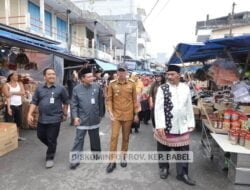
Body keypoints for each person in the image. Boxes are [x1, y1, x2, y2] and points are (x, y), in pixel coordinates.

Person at [154, 65, 196, 186]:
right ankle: (164, 168)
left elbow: (188, 106)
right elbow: (158, 108)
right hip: (166, 125)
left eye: (172, 74)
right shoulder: (163, 88)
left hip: (182, 125)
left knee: (183, 151)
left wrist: (191, 122)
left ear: (179, 75)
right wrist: (160, 125)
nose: (169, 77)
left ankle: (182, 173)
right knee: (163, 148)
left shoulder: (186, 88)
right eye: (168, 74)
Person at [27, 68, 69, 169]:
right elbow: (34, 102)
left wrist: (64, 112)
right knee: (40, 135)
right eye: (49, 74)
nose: (52, 76)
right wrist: (29, 114)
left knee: (51, 138)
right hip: (42, 118)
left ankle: (50, 157)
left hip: (55, 118)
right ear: (44, 77)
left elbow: (66, 101)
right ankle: (52, 145)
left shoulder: (60, 88)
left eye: (53, 74)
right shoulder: (39, 88)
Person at [69, 67, 105, 170]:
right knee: (79, 139)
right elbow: (74, 105)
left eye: (92, 76)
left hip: (94, 117)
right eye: (89, 77)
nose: (92, 78)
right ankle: (75, 159)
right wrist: (75, 117)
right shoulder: (76, 89)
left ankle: (96, 153)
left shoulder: (97, 87)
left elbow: (100, 101)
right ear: (82, 78)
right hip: (82, 119)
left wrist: (101, 114)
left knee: (95, 137)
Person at [106, 63, 139, 173]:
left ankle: (123, 156)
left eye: (123, 71)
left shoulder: (132, 84)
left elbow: (135, 100)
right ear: (117, 72)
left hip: (128, 115)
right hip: (116, 115)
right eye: (119, 71)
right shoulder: (112, 84)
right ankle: (112, 161)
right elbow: (109, 99)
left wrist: (136, 114)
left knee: (125, 138)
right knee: (114, 137)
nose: (121, 73)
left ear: (126, 72)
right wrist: (110, 111)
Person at [2, 71, 26, 140]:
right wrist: (18, 93)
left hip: (19, 105)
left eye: (17, 75)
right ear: (11, 76)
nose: (17, 76)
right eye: (15, 75)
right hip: (10, 105)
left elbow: (23, 92)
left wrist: (12, 92)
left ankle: (17, 136)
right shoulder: (6, 85)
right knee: (9, 121)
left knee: (18, 121)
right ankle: (9, 137)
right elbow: (7, 95)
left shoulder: (20, 83)